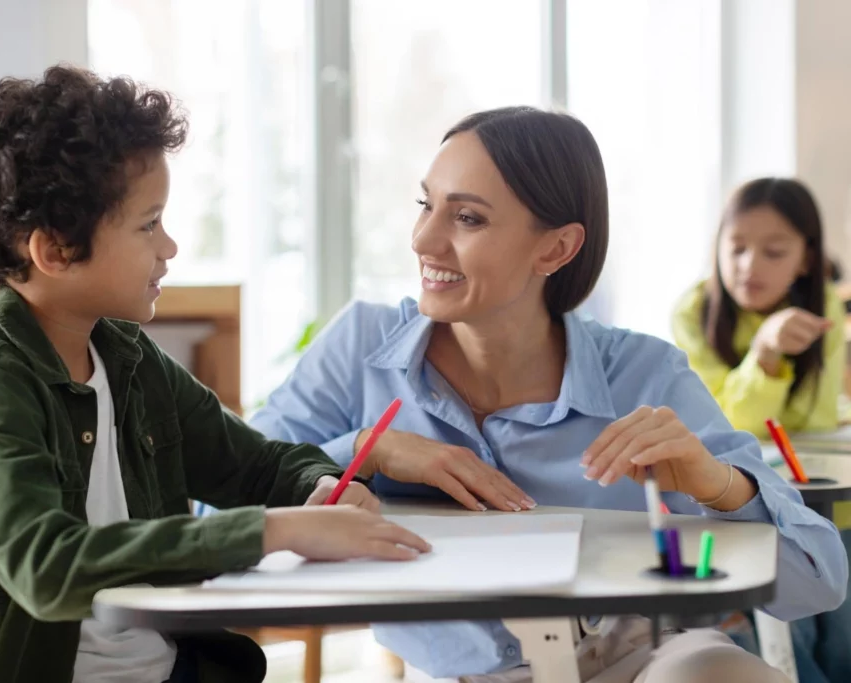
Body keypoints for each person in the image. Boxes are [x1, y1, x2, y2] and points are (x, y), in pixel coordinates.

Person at [246, 107, 847, 682]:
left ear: (556, 248)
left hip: (644, 661)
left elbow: (818, 580)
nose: (424, 240)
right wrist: (365, 451)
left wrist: (716, 484)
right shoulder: (359, 349)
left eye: (468, 218)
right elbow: (215, 513)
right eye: (426, 205)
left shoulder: (642, 373)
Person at [0, 65, 429, 683]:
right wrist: (273, 530)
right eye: (148, 224)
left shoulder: (127, 358)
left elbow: (255, 464)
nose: (170, 247)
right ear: (54, 251)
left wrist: (318, 486)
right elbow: (47, 569)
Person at [673, 177, 851, 683]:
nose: (749, 266)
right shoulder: (693, 314)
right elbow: (722, 430)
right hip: (743, 508)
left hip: (825, 502)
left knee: (840, 619)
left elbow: (812, 425)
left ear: (806, 260)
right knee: (788, 614)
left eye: (774, 252)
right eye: (737, 248)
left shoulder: (825, 312)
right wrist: (766, 355)